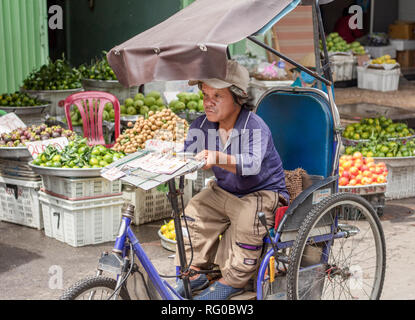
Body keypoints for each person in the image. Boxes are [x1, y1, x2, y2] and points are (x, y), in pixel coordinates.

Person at [175, 60, 289, 300]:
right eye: (205, 94)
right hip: (224, 190)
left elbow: (251, 164)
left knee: (249, 219)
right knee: (195, 210)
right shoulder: (202, 125)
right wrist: (167, 159)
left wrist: (217, 157)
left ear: (238, 97)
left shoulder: (255, 126)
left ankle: (233, 281)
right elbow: (186, 155)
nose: (208, 101)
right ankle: (196, 272)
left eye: (217, 95)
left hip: (261, 192)